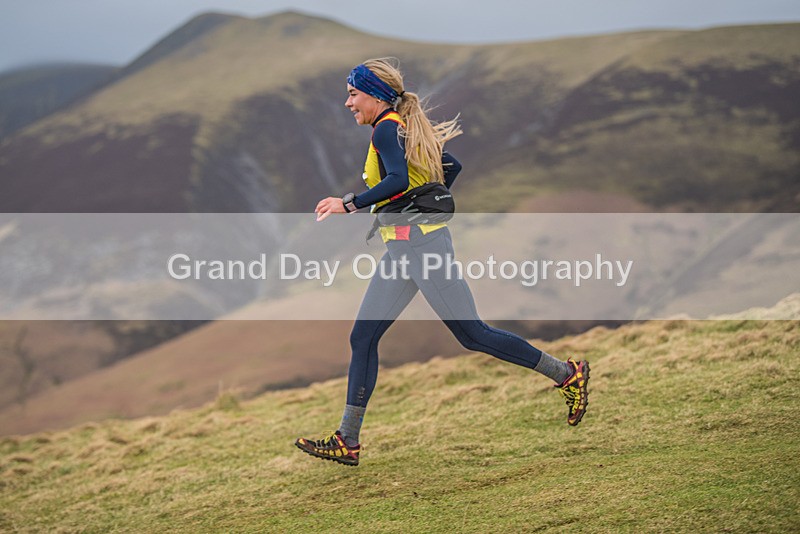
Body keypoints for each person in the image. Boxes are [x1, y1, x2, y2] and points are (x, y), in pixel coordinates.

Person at [295, 58, 589, 466]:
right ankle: (348, 439)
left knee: (473, 335)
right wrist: (423, 201)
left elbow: (397, 179)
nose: (348, 103)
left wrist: (350, 203)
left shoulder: (385, 129)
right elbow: (451, 166)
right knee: (363, 338)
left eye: (352, 94)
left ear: (375, 95)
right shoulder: (400, 127)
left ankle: (567, 374)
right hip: (403, 249)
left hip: (421, 248)